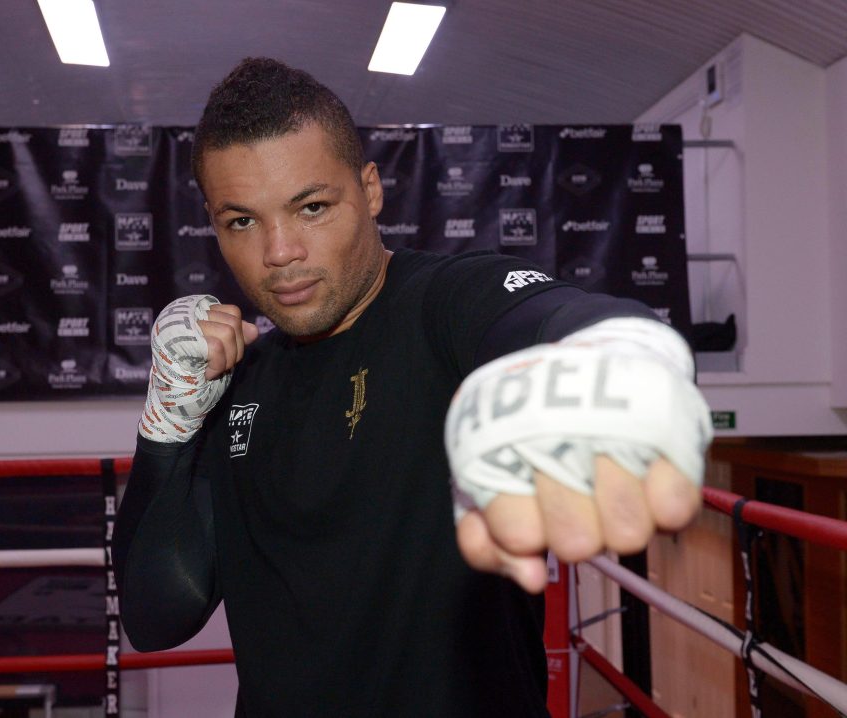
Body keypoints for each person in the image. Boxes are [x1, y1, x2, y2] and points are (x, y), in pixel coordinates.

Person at [112, 57, 712, 717]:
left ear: (369, 190)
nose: (279, 252)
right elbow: (155, 615)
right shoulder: (240, 379)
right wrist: (166, 426)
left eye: (311, 207)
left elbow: (552, 318)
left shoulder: (446, 306)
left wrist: (614, 357)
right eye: (243, 222)